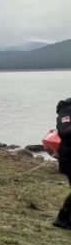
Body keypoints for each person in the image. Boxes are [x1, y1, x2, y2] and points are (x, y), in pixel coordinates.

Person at [53, 98, 71, 230]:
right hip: (68, 157)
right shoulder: (65, 111)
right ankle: (62, 218)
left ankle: (63, 218)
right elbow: (65, 131)